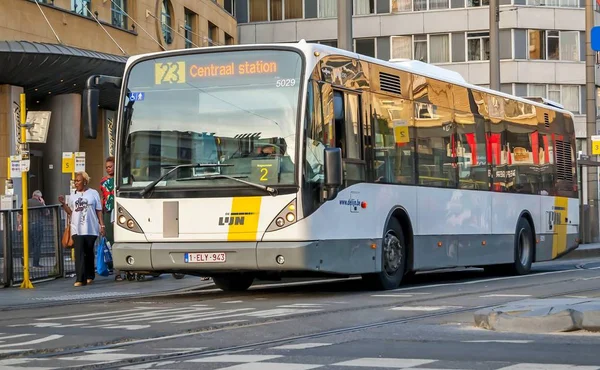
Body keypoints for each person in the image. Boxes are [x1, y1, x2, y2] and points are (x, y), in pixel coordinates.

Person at [58, 172, 105, 287]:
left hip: (91, 227)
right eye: (75, 181)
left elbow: (98, 210)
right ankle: (80, 278)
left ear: (85, 181)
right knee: (79, 252)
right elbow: (70, 212)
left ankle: (89, 275)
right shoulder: (72, 195)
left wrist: (102, 225)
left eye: (78, 181)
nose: (76, 183)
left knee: (88, 252)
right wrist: (64, 205)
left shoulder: (93, 193)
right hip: (76, 228)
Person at [100, 156, 120, 280]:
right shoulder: (103, 182)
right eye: (106, 167)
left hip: (118, 210)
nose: (108, 169)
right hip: (107, 211)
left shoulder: (121, 179)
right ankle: (114, 266)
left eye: (110, 166)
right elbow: (103, 198)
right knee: (110, 239)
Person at [16, 190, 46, 268]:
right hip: (37, 225)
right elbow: (46, 212)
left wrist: (19, 224)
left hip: (27, 226)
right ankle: (35, 263)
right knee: (37, 244)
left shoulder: (26, 202)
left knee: (28, 244)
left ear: (33, 195)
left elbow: (19, 214)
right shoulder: (39, 203)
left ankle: (24, 258)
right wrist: (43, 203)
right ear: (39, 197)